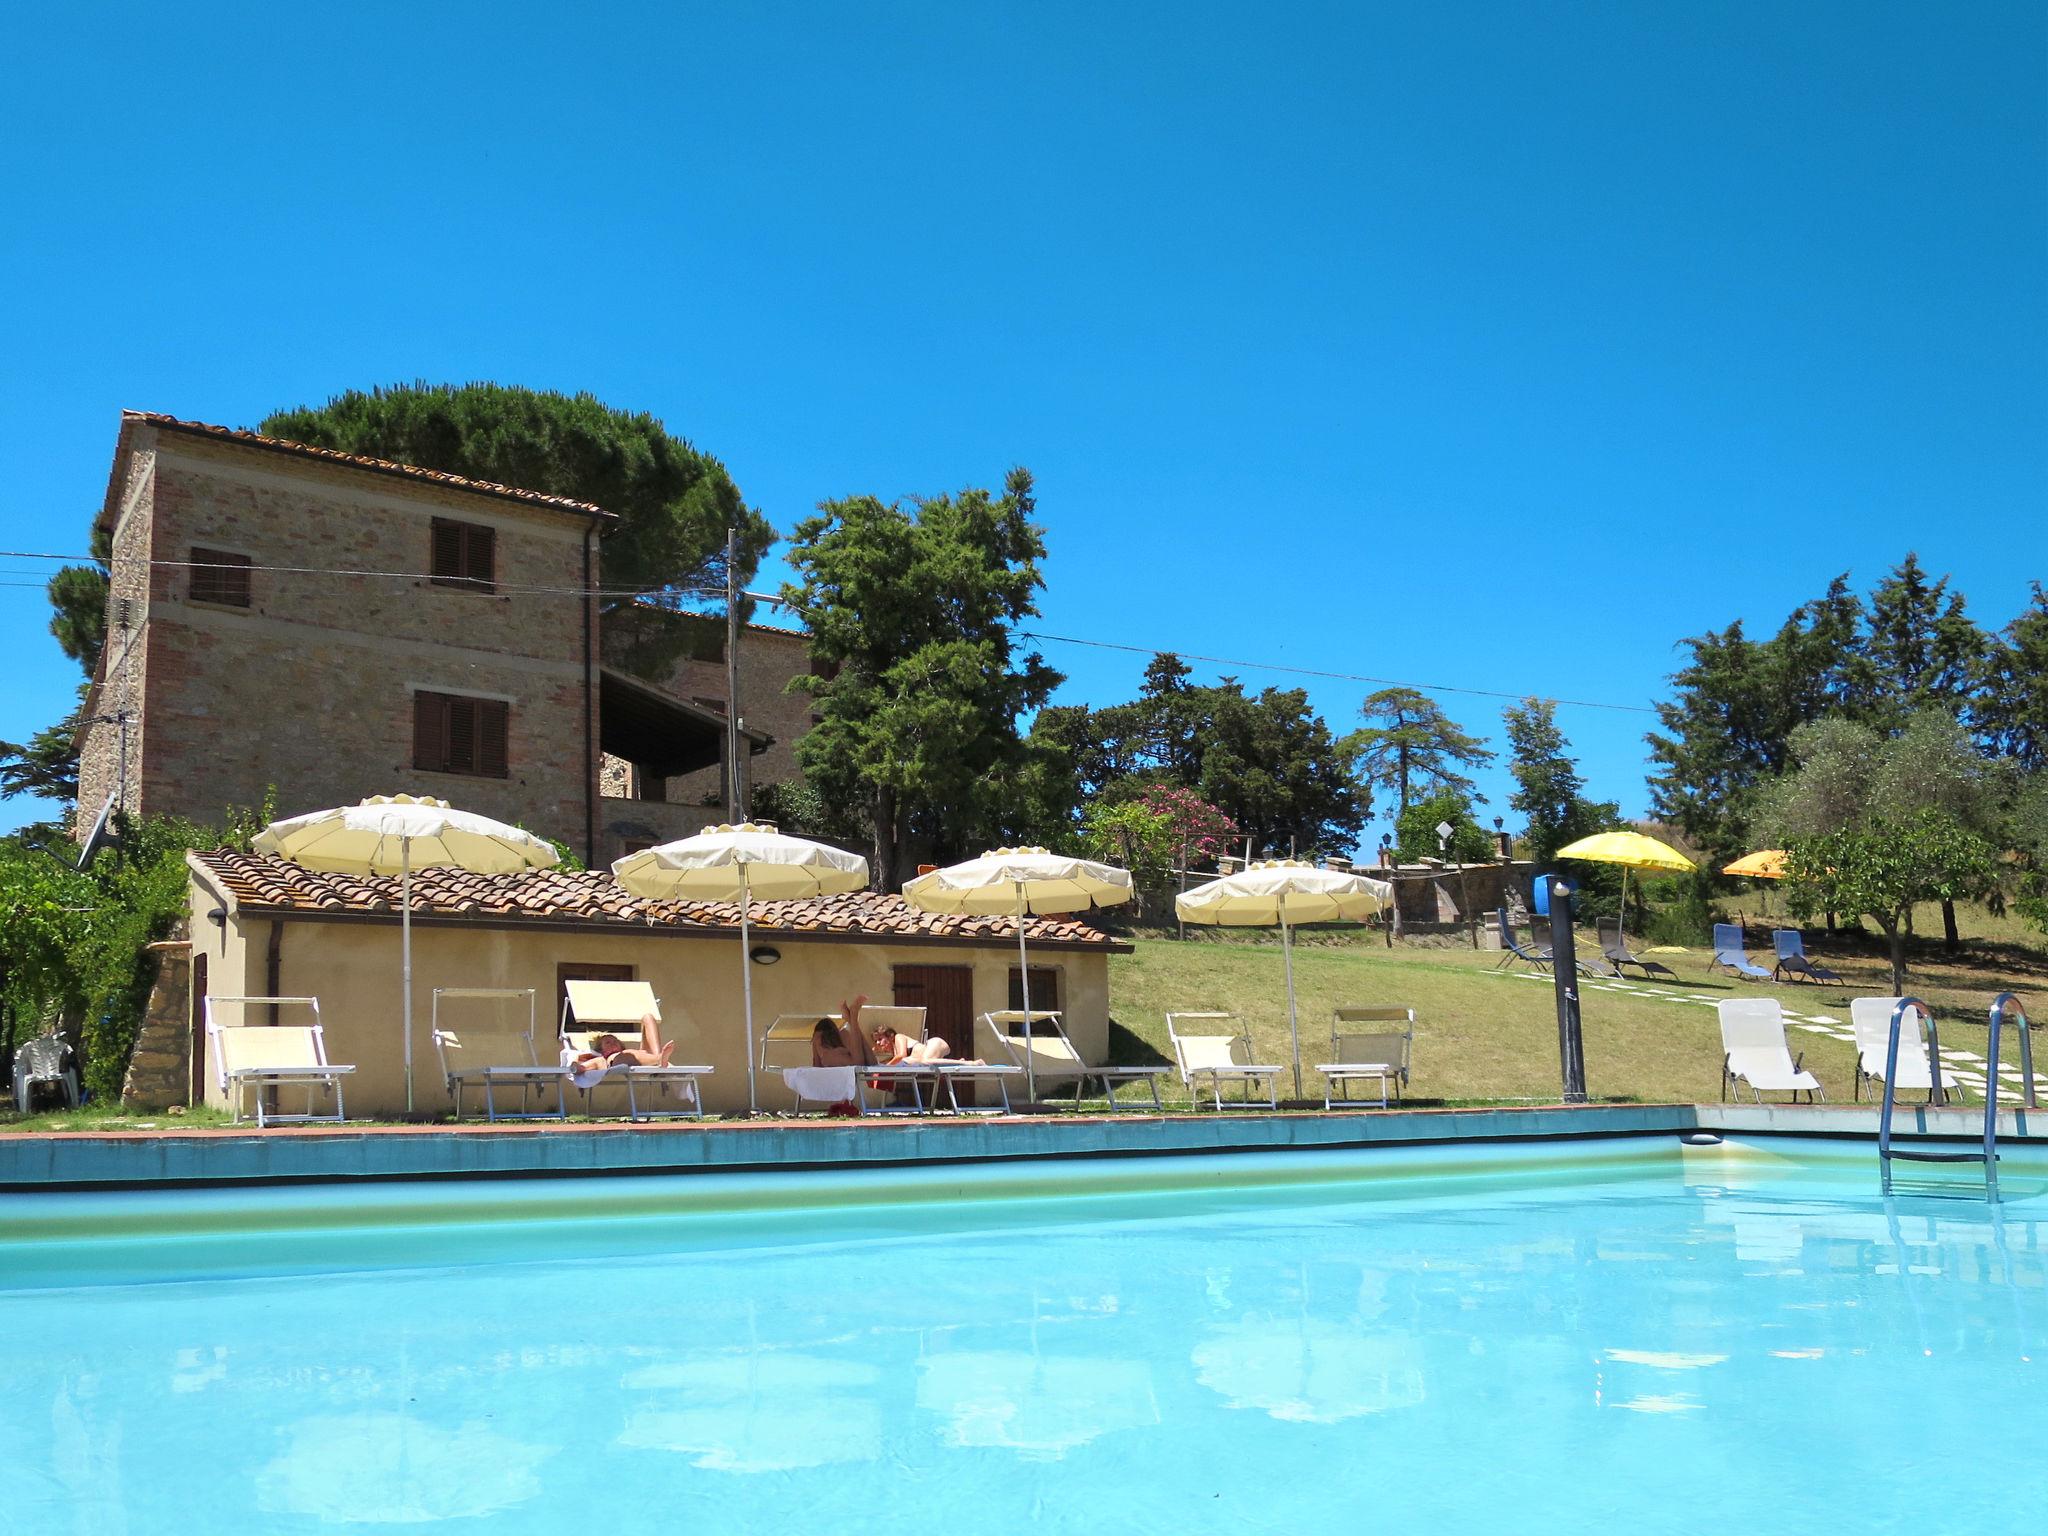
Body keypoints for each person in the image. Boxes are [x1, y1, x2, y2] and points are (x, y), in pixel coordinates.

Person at [567, 1012, 675, 1075]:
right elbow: (581, 1067)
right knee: (627, 1054)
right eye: (607, 1043)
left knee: (647, 1017)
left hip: (643, 1056)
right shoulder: (602, 1059)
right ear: (601, 1050)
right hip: (617, 1061)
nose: (612, 1043)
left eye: (615, 1041)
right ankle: (659, 1059)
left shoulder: (628, 1051)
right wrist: (576, 1065)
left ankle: (658, 1057)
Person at [811, 995, 878, 1068]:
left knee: (861, 1064)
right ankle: (851, 1018)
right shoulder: (841, 1034)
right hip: (841, 1052)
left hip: (830, 1056)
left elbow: (816, 1064)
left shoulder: (818, 1038)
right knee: (872, 1063)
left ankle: (853, 1016)